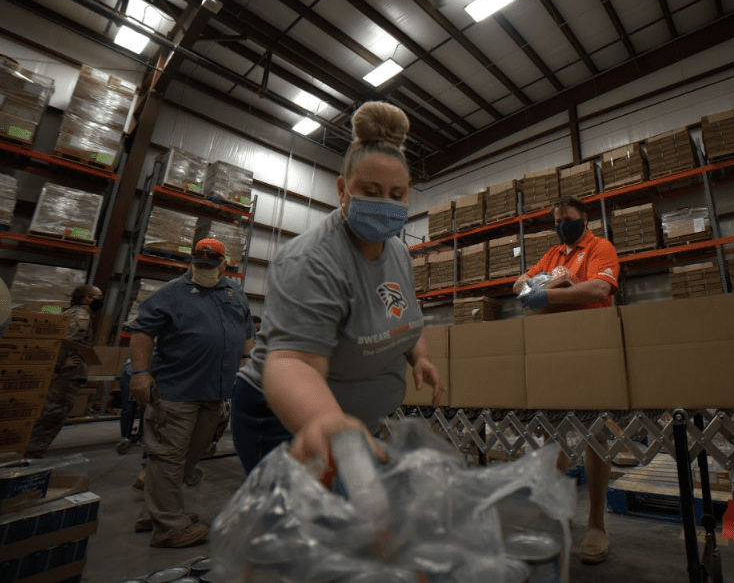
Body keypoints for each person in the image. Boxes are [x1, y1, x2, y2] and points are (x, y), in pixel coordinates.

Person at [231, 101, 442, 478]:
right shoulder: (311, 260)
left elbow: (403, 317)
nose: (385, 203)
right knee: (313, 532)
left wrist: (420, 357)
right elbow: (293, 361)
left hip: (351, 421)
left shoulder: (398, 252)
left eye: (397, 195)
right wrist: (324, 420)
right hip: (293, 420)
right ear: (343, 189)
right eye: (371, 190)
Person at [511, 195, 620, 565]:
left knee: (598, 434)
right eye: (557, 220)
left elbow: (599, 289)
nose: (563, 225)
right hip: (554, 348)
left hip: (593, 345)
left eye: (568, 219)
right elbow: (518, 287)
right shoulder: (553, 255)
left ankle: (596, 524)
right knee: (550, 432)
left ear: (584, 219)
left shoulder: (600, 247)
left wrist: (549, 293)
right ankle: (555, 518)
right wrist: (548, 286)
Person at [129, 238, 254, 548]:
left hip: (216, 391)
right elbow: (142, 331)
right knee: (168, 456)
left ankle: (155, 512)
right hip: (177, 390)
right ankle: (169, 528)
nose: (205, 270)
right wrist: (141, 373)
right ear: (191, 263)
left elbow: (248, 334)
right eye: (200, 265)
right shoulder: (172, 293)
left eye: (212, 266)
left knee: (191, 455)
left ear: (225, 265)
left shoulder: (235, 293)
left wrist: (249, 363)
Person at [25, 284, 103, 458]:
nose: (101, 301)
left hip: (61, 377)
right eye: (99, 297)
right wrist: (60, 363)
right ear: (88, 299)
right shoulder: (81, 317)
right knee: (52, 417)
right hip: (64, 379)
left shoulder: (70, 313)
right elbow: (59, 341)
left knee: (47, 415)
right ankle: (29, 457)